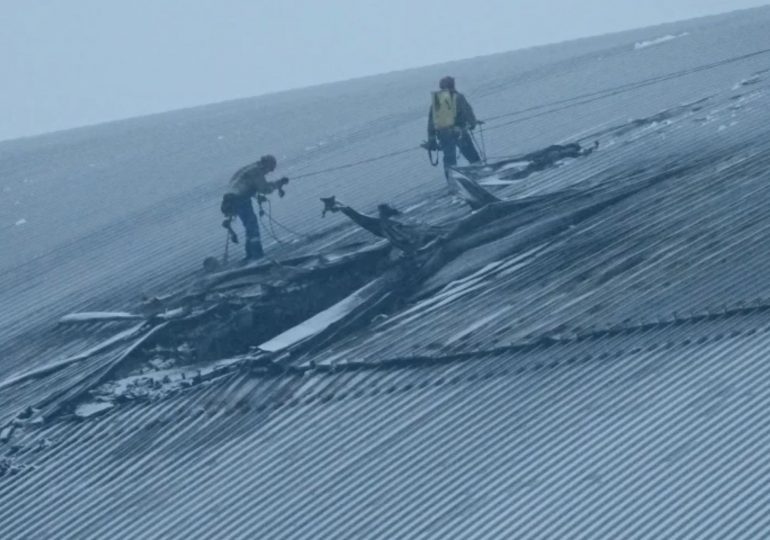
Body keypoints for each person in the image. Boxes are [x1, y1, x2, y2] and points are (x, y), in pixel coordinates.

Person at [220, 154, 289, 260]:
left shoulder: (249, 168)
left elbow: (245, 185)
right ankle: (257, 254)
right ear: (266, 164)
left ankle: (250, 254)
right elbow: (264, 189)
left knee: (249, 224)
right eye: (270, 168)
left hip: (230, 199)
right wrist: (278, 183)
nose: (270, 172)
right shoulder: (257, 171)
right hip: (239, 200)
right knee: (252, 225)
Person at [427, 76, 481, 174]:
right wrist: (473, 123)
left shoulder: (438, 101)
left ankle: (451, 179)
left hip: (444, 134)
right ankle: (479, 173)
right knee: (472, 155)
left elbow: (431, 121)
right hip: (459, 133)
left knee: (449, 158)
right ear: (453, 84)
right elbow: (467, 111)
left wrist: (432, 139)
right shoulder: (459, 97)